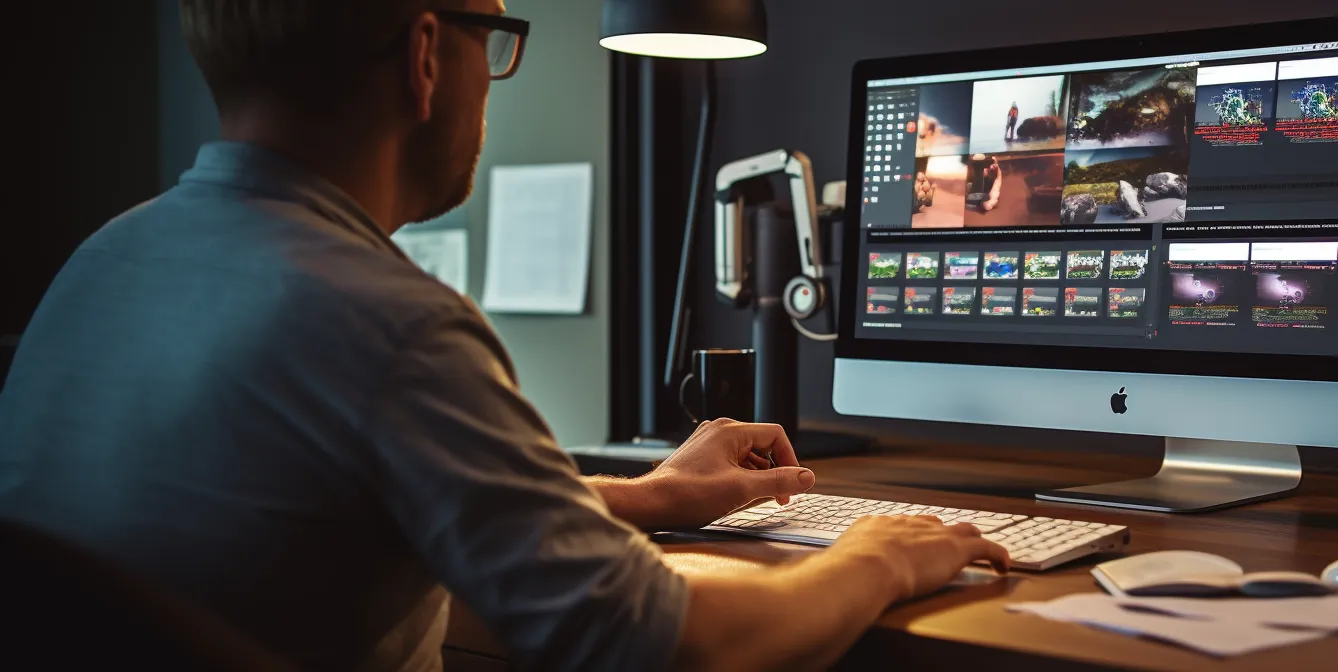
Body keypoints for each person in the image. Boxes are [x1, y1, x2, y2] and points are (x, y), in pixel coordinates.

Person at [0, 1, 1008, 670]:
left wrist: (646, 496)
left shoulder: (103, 263)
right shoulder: (389, 323)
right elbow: (671, 646)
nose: (495, 76)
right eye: (498, 35)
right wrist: (876, 554)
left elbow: (339, 510)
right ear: (429, 54)